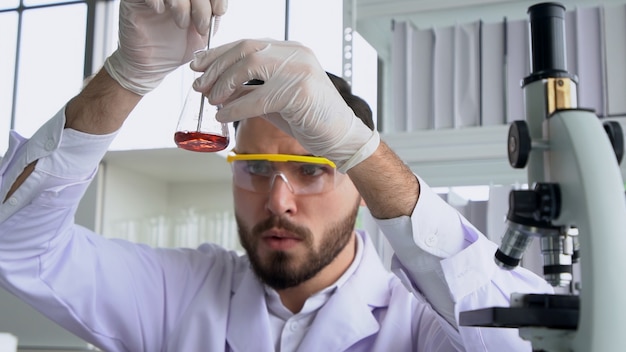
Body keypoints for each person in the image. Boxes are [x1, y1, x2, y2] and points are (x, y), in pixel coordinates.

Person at [0, 0, 553, 351]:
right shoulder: (178, 294)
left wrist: (363, 150)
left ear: (360, 190)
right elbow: (16, 246)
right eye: (258, 167)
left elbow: (520, 342)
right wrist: (126, 74)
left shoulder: (418, 325)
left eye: (311, 169)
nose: (278, 200)